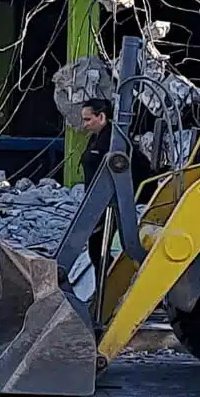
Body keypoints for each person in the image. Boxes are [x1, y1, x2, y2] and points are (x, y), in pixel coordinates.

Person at [78, 98, 153, 275]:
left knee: (99, 250)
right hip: (98, 202)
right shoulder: (96, 139)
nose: (85, 124)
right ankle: (105, 287)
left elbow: (135, 167)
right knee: (96, 250)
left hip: (111, 202)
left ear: (101, 117)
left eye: (88, 119)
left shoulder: (114, 143)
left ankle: (113, 284)